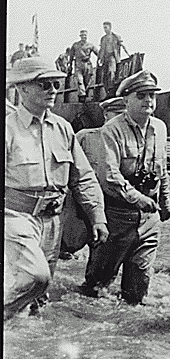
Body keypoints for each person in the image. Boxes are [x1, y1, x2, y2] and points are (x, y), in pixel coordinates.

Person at [4, 57, 108, 321]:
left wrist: (97, 216)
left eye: (55, 84)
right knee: (35, 276)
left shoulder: (63, 128)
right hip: (15, 217)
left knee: (40, 294)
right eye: (43, 84)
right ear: (22, 89)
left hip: (52, 221)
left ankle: (24, 345)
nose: (52, 89)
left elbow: (82, 178)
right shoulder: (8, 128)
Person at [79, 70, 170, 305]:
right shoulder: (112, 130)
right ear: (126, 100)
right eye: (141, 96)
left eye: (152, 95)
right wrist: (138, 198)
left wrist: (165, 203)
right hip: (118, 216)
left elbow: (162, 171)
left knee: (137, 290)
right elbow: (109, 177)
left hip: (149, 219)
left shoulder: (160, 128)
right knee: (98, 287)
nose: (148, 101)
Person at [59, 97, 127, 261]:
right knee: (68, 248)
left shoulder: (130, 142)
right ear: (105, 114)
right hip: (83, 206)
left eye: (124, 116)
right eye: (116, 114)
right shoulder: (85, 137)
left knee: (104, 257)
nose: (121, 120)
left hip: (113, 208)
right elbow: (70, 172)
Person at [98, 21, 129, 95]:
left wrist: (128, 54)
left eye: (106, 27)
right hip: (105, 58)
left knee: (111, 72)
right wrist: (98, 59)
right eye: (104, 28)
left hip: (112, 57)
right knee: (104, 76)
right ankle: (107, 92)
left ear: (110, 27)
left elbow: (122, 45)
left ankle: (111, 90)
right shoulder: (103, 38)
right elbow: (101, 50)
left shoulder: (115, 37)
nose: (105, 29)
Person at [69, 29, 99, 102]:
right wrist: (70, 65)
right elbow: (71, 55)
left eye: (85, 35)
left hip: (88, 64)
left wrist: (101, 60)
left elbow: (98, 53)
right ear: (80, 36)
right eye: (82, 36)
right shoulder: (75, 45)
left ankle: (84, 95)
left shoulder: (90, 45)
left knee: (87, 81)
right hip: (78, 64)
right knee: (79, 80)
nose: (84, 37)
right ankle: (82, 95)